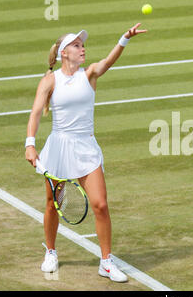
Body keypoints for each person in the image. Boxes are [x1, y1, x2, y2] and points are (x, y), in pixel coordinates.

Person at [25, 24, 147, 282]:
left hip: (86, 148)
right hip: (59, 147)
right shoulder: (50, 80)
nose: (83, 49)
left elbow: (109, 61)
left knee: (101, 205)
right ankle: (50, 252)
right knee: (51, 204)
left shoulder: (89, 74)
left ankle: (106, 262)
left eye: (83, 45)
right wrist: (30, 143)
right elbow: (36, 112)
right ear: (63, 53)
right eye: (77, 46)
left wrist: (124, 38)